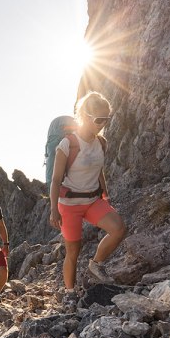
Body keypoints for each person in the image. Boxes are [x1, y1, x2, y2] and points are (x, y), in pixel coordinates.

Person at [49, 91, 127, 302]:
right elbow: (56, 180)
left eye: (106, 119)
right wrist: (53, 209)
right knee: (73, 251)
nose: (102, 124)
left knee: (118, 229)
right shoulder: (68, 144)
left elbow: (99, 169)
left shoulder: (101, 143)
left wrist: (105, 193)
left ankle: (96, 265)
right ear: (85, 116)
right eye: (99, 119)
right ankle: (69, 293)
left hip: (93, 201)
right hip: (69, 205)